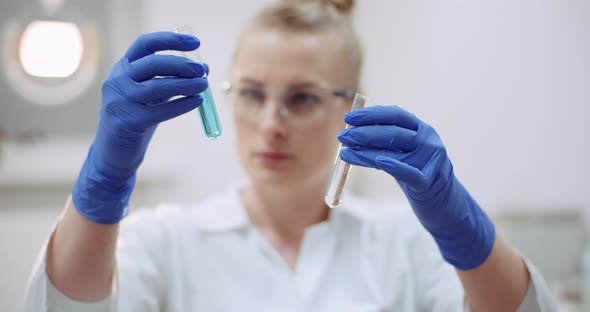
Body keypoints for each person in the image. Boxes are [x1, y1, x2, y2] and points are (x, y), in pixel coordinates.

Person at [25, 0, 557, 311]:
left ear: (352, 107)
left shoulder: (407, 243)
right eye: (253, 93)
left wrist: (463, 231)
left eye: (302, 98)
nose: (271, 124)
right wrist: (104, 178)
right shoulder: (164, 240)